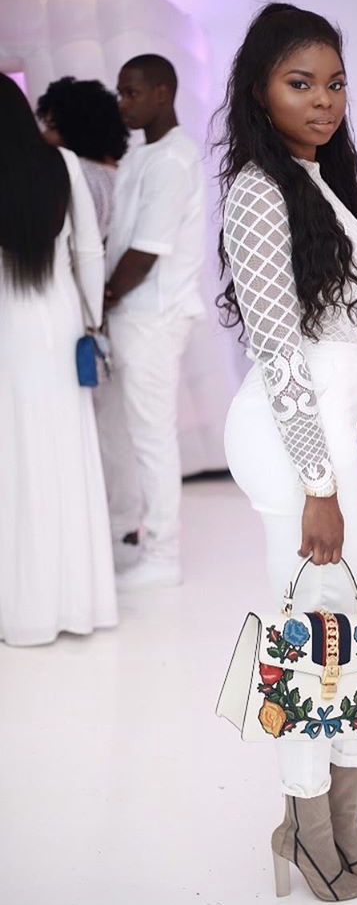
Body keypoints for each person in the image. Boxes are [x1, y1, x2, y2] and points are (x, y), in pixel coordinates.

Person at [215, 4, 357, 901]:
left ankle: (339, 823)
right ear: (260, 89)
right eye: (301, 83)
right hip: (290, 440)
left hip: (334, 430)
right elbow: (279, 349)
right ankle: (306, 828)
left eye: (335, 84)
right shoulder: (257, 191)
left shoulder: (321, 181)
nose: (324, 101)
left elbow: (344, 330)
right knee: (311, 643)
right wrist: (318, 483)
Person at [0, 73, 118, 646]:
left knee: (11, 457)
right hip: (57, 319)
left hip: (8, 321)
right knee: (64, 453)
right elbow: (88, 252)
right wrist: (91, 321)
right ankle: (74, 601)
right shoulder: (64, 164)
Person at [103, 54, 206, 591]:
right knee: (120, 434)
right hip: (131, 315)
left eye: (131, 92)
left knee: (150, 438)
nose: (122, 103)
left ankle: (163, 556)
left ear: (163, 93)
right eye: (120, 93)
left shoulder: (173, 159)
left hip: (152, 318)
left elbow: (145, 252)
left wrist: (101, 297)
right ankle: (126, 537)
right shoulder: (146, 154)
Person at [36, 76, 129, 240]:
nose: (44, 136)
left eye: (52, 127)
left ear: (77, 129)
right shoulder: (124, 172)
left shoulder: (76, 174)